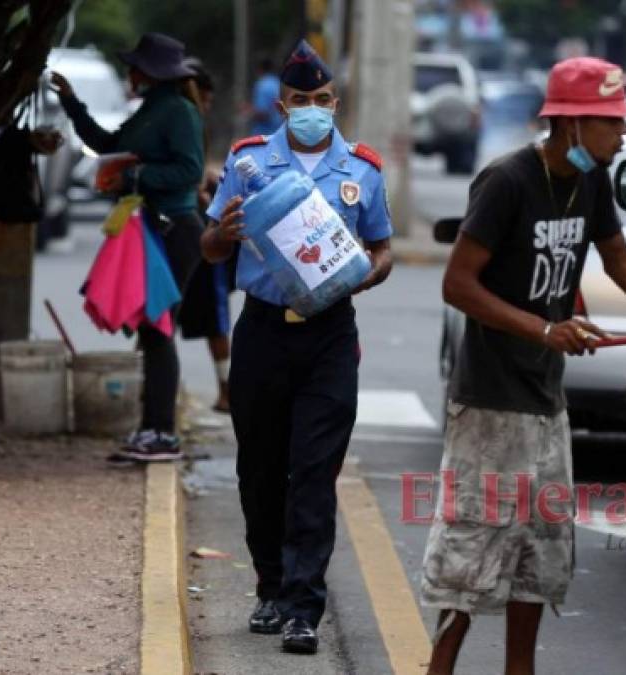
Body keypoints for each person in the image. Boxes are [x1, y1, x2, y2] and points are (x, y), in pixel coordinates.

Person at [420, 57, 626, 675]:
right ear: (573, 123)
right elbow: (457, 284)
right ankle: (439, 667)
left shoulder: (591, 183)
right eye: (612, 123)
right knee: (469, 552)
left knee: (541, 552)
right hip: (490, 402)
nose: (624, 134)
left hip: (545, 401)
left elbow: (620, 261)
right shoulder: (506, 182)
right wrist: (544, 329)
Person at [201, 39, 393, 655]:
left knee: (313, 470)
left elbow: (382, 248)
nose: (311, 107)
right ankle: (270, 586)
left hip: (330, 336)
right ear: (282, 106)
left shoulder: (361, 170)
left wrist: (367, 269)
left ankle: (303, 606)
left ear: (334, 103)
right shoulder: (249, 161)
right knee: (260, 468)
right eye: (299, 100)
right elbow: (209, 246)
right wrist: (222, 235)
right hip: (261, 331)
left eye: (320, 99)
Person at [51, 32, 204, 461]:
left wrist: (137, 179)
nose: (130, 74)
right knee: (150, 331)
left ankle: (162, 433)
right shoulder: (152, 110)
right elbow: (107, 145)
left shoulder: (179, 113)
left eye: (135, 67)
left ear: (150, 73)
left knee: (157, 330)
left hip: (175, 230)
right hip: (153, 228)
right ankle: (151, 429)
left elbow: (189, 171)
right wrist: (72, 103)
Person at [177, 57, 236, 413]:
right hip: (194, 226)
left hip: (184, 223)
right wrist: (202, 187)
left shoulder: (182, 116)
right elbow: (192, 174)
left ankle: (226, 389)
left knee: (162, 311)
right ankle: (227, 390)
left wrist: (208, 181)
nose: (208, 104)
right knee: (212, 317)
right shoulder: (187, 117)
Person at [250, 57, 283, 136]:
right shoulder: (278, 83)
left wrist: (249, 113)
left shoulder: (262, 85)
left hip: (265, 135)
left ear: (259, 69)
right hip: (280, 132)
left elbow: (263, 113)